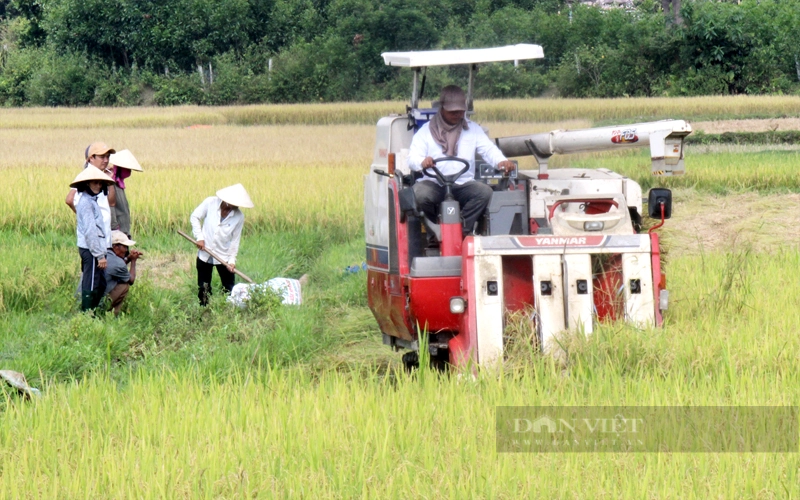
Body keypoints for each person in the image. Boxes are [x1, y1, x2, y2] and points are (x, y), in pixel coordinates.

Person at [408, 85, 516, 237]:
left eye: (460, 111)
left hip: (463, 184)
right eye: (453, 111)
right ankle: (433, 232)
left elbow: (488, 150)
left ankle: (461, 230)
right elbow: (412, 159)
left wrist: (501, 161)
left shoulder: (473, 130)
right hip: (434, 184)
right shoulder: (424, 132)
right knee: (419, 194)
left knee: (484, 192)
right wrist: (422, 161)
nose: (457, 114)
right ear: (442, 108)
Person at [190, 183, 254, 306]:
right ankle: (204, 310)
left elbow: (235, 240)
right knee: (204, 287)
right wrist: (200, 237)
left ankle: (229, 311)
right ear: (226, 200)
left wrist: (231, 261)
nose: (235, 206)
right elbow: (195, 217)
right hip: (205, 253)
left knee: (229, 288)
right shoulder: (210, 203)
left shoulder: (239, 216)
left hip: (223, 255)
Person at [70, 167, 115, 312]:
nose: (98, 186)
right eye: (95, 183)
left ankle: (94, 312)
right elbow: (90, 231)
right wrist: (99, 255)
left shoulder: (92, 201)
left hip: (94, 249)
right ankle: (87, 316)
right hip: (91, 250)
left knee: (100, 283)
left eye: (100, 183)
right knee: (91, 283)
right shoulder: (86, 203)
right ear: (87, 184)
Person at [66, 142, 117, 249]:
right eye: (102, 157)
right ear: (91, 158)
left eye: (108, 157)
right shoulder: (86, 177)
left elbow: (111, 202)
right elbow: (69, 200)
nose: (106, 160)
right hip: (93, 240)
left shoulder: (102, 176)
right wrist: (87, 217)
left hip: (102, 236)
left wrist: (110, 180)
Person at [104, 231, 142, 316]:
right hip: (100, 299)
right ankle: (112, 313)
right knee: (124, 285)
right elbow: (131, 280)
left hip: (88, 295)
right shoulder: (118, 262)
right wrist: (133, 261)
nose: (126, 250)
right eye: (124, 247)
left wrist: (128, 258)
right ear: (115, 246)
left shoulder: (102, 254)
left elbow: (117, 268)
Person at [108, 149, 143, 237]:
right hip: (117, 233)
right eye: (127, 169)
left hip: (123, 231)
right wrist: (115, 228)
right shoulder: (111, 185)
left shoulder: (119, 184)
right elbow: (111, 207)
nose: (129, 171)